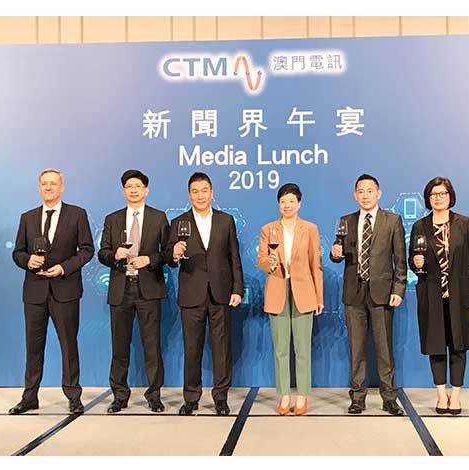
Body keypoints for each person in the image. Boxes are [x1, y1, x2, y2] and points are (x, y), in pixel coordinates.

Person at [9, 168, 94, 415]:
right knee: (33, 347)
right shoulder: (28, 217)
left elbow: (87, 250)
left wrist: (63, 268)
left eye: (53, 183)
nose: (48, 187)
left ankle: (73, 396)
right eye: (44, 183)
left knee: (68, 345)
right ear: (39, 187)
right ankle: (29, 397)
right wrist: (28, 261)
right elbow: (17, 252)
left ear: (61, 187)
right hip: (34, 292)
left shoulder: (77, 214)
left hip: (65, 290)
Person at [167, 172, 244, 416]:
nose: (200, 196)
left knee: (222, 348)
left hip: (221, 293)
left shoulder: (225, 220)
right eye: (195, 191)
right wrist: (174, 254)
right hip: (192, 293)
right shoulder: (178, 223)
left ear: (212, 192)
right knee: (192, 349)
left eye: (204, 191)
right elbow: (169, 259)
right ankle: (191, 398)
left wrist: (237, 289)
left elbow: (234, 257)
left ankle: (221, 398)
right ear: (189, 194)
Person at [330, 174, 407, 416]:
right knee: (357, 349)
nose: (365, 195)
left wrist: (398, 289)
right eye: (361, 191)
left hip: (382, 293)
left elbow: (400, 260)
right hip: (354, 293)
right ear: (355, 195)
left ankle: (389, 398)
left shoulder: (392, 220)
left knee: (384, 349)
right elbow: (338, 253)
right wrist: (335, 254)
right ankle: (357, 397)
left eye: (370, 191)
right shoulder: (346, 221)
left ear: (378, 193)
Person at [97, 169, 170, 414]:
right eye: (129, 186)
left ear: (146, 190)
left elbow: (168, 253)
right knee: (120, 347)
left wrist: (149, 259)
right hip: (121, 288)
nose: (134, 190)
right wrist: (115, 255)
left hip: (148, 287)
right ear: (123, 191)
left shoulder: (158, 218)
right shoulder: (113, 219)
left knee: (152, 346)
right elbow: (102, 253)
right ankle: (119, 396)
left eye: (138, 186)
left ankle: (154, 396)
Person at [410, 176, 469, 416]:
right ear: (427, 198)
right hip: (431, 294)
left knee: (459, 345)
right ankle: (441, 393)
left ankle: (456, 394)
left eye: (442, 193)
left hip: (460, 294)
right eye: (433, 194)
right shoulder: (420, 226)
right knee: (436, 345)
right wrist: (416, 263)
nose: (438, 198)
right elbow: (414, 262)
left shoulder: (464, 224)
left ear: (450, 196)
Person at [256, 183, 323, 416]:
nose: (287, 205)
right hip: (278, 290)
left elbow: (316, 265)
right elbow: (261, 260)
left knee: (302, 348)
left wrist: (319, 297)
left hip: (304, 292)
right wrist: (270, 263)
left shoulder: (310, 229)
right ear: (278, 204)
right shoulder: (268, 229)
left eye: (291, 201)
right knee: (281, 348)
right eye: (283, 201)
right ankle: (284, 394)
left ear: (299, 204)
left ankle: (302, 395)